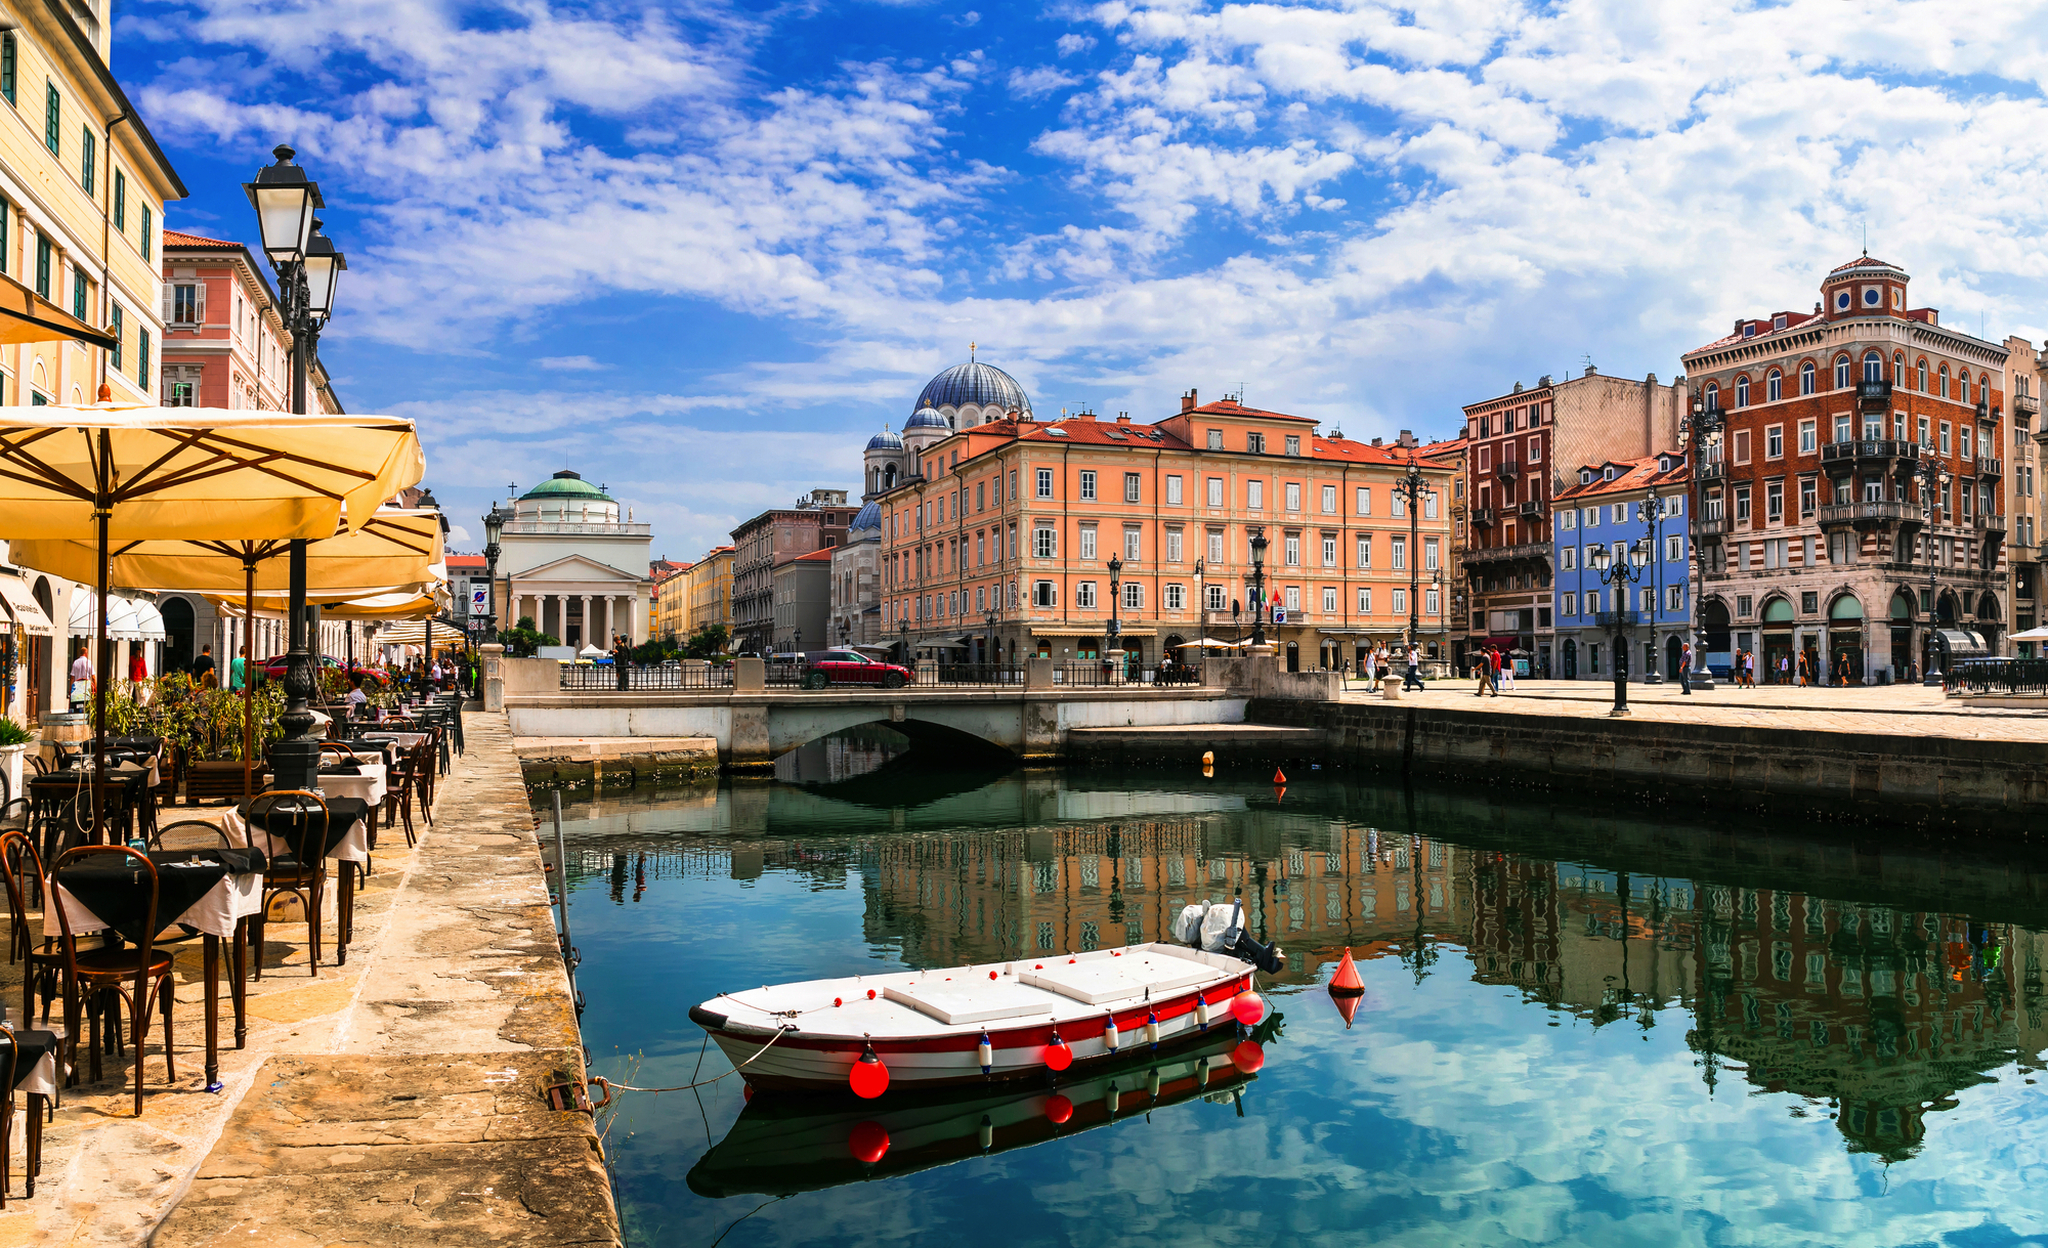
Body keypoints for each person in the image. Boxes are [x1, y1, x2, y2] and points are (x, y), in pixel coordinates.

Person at [68, 640, 93, 711]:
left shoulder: (75, 662)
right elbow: (93, 677)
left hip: (77, 688)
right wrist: (95, 688)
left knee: (76, 706)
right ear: (86, 653)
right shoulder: (89, 662)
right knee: (87, 706)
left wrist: (70, 689)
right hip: (86, 688)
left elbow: (72, 677)